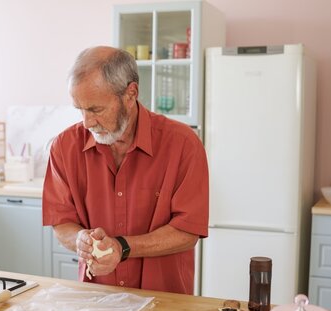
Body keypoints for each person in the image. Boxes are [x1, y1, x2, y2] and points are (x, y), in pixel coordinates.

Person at [42, 46, 208, 294]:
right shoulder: (64, 147)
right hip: (96, 298)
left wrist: (122, 247)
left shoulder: (183, 144)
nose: (87, 122)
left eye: (96, 109)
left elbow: (187, 231)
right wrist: (81, 241)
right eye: (80, 110)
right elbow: (62, 223)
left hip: (166, 301)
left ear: (131, 94)